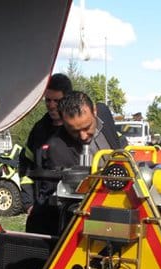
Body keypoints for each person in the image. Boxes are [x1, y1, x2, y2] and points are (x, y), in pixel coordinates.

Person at [31, 90, 126, 236]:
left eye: (87, 127)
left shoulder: (104, 112)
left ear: (94, 110)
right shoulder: (57, 149)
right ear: (62, 121)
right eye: (74, 130)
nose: (83, 136)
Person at [20, 73, 73, 224]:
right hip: (41, 210)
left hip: (72, 212)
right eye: (47, 100)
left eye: (57, 100)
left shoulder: (78, 130)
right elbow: (25, 165)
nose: (51, 105)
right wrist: (28, 203)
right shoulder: (39, 130)